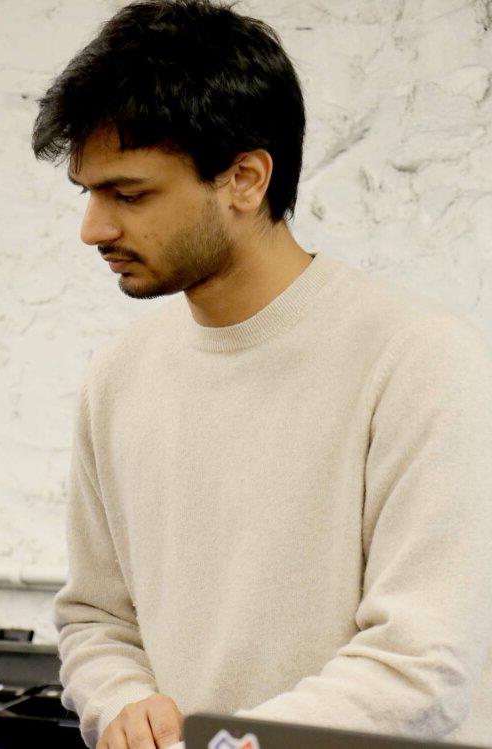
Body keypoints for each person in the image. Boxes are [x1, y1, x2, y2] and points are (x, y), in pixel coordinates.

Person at [31, 2, 492, 748]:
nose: (93, 228)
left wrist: (223, 741)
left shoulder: (423, 360)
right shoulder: (119, 377)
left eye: (129, 193)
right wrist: (121, 699)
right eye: (88, 191)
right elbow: (97, 619)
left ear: (245, 178)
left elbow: (420, 664)